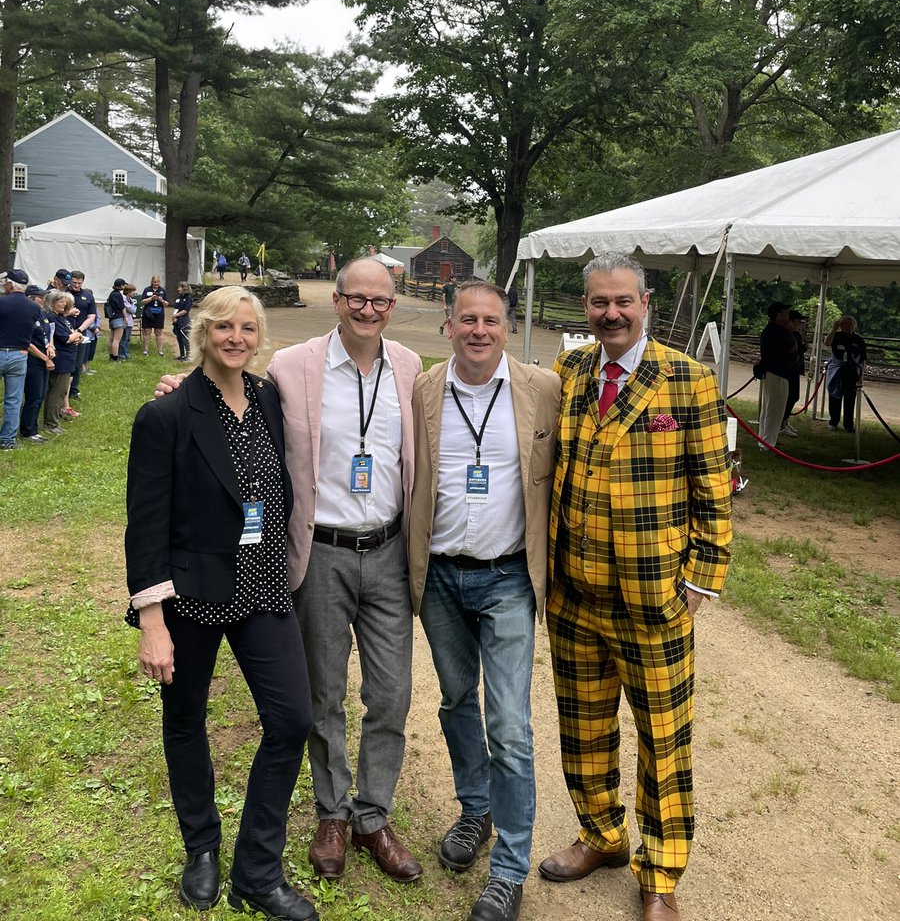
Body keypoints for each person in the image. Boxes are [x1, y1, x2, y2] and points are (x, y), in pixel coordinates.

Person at [156, 257, 424, 885]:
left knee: (391, 693)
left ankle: (373, 815)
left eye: (379, 301)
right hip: (317, 551)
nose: (367, 309)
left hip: (387, 549)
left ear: (394, 305)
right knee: (322, 693)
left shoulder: (411, 369)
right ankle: (332, 814)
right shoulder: (292, 368)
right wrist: (178, 387)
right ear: (336, 301)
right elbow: (224, 389)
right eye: (355, 298)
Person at [539, 252, 732, 921]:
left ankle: (660, 874)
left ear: (645, 302)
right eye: (599, 302)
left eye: (623, 301)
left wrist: (702, 578)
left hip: (652, 601)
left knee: (663, 743)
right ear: (585, 306)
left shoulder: (688, 379)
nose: (611, 313)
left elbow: (713, 485)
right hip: (572, 595)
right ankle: (601, 836)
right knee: (583, 729)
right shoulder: (567, 373)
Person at [125, 286, 317, 920]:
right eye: (224, 327)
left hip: (263, 585)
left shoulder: (266, 398)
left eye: (247, 328)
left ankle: (257, 872)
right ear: (203, 331)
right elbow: (145, 525)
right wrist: (152, 622)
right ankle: (201, 846)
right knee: (186, 721)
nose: (237, 338)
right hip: (192, 594)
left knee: (290, 721)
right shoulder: (167, 416)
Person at [408, 281, 560, 921]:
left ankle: (510, 868)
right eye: (466, 319)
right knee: (456, 702)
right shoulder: (422, 389)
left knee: (512, 727)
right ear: (448, 326)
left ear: (507, 325)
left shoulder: (544, 390)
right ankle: (477, 809)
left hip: (507, 579)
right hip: (441, 576)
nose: (478, 330)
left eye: (490, 320)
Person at [0, 269, 42, 451]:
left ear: (9, 285)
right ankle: (7, 439)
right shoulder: (34, 307)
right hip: (20, 354)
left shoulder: (1, 302)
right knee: (13, 400)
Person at [756, 300, 795, 450]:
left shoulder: (773, 330)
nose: (788, 315)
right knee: (774, 410)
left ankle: (765, 440)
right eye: (785, 312)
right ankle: (767, 443)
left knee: (770, 410)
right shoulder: (776, 331)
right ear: (778, 315)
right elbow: (792, 349)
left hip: (775, 373)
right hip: (777, 373)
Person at [43, 289, 82, 433]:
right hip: (61, 360)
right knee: (57, 392)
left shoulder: (60, 317)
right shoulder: (52, 318)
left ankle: (53, 421)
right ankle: (51, 424)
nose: (64, 303)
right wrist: (77, 334)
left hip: (67, 360)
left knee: (60, 391)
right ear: (52, 303)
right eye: (60, 301)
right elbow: (65, 338)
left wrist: (76, 336)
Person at [20, 285, 54, 444]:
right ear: (30, 298)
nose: (43, 299)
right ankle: (28, 431)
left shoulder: (42, 314)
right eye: (40, 297)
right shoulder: (27, 316)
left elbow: (47, 334)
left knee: (40, 395)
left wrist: (50, 346)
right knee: (33, 396)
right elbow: (28, 342)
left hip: (43, 358)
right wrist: (45, 358)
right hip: (33, 360)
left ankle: (33, 427)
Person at [825, 316, 866, 433]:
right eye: (844, 324)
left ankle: (848, 425)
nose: (847, 326)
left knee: (850, 399)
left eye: (849, 324)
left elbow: (862, 360)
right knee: (834, 397)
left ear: (854, 325)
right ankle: (833, 422)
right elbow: (827, 343)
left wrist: (861, 377)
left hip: (852, 371)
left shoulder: (858, 339)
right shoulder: (837, 336)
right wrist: (834, 329)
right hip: (837, 371)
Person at [67, 271, 97, 400]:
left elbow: (91, 316)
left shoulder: (88, 296)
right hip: (64, 333)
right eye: (74, 283)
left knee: (77, 363)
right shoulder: (64, 294)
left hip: (81, 333)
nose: (76, 285)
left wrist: (79, 330)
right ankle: (62, 390)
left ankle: (74, 390)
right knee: (65, 363)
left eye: (79, 283)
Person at [781, 310, 807, 437]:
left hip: (795, 368)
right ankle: (782, 422)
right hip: (788, 369)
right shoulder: (786, 333)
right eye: (797, 320)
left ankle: (785, 421)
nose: (799, 323)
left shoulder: (796, 334)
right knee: (788, 396)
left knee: (794, 396)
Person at [140, 275, 169, 356]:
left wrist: (161, 300)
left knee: (158, 332)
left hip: (159, 313)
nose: (156, 284)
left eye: (158, 282)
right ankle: (145, 350)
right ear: (151, 282)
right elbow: (142, 301)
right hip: (148, 312)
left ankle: (160, 351)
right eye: (154, 282)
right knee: (147, 331)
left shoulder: (162, 290)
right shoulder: (147, 289)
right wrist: (151, 298)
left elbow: (167, 304)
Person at [106, 278, 128, 360]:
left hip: (112, 318)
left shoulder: (112, 294)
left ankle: (111, 356)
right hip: (118, 317)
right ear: (121, 286)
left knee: (111, 338)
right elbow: (122, 307)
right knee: (117, 339)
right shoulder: (118, 295)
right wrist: (125, 317)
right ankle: (115, 357)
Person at [172, 282, 193, 361]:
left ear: (184, 288)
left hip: (184, 320)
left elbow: (186, 310)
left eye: (179, 288)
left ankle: (189, 355)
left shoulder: (188, 298)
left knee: (185, 338)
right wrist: (174, 317)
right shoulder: (179, 297)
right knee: (179, 338)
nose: (178, 289)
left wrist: (176, 315)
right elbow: (176, 308)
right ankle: (182, 355)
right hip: (177, 320)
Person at [121, 284, 137, 360]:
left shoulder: (130, 299)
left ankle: (126, 353)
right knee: (124, 338)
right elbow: (131, 309)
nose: (134, 293)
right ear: (128, 292)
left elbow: (134, 309)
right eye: (133, 291)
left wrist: (133, 308)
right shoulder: (124, 299)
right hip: (125, 321)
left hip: (130, 321)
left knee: (128, 339)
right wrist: (133, 308)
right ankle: (122, 354)